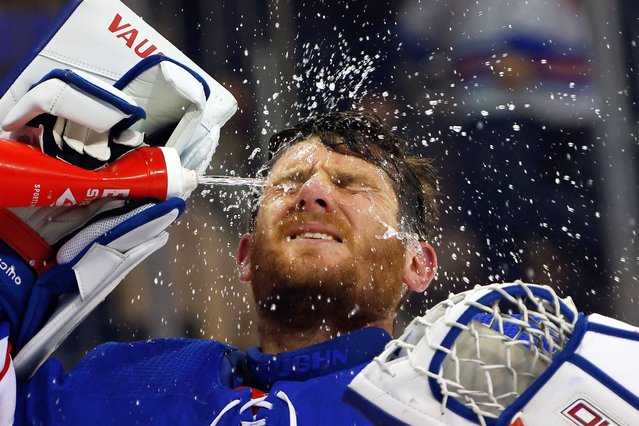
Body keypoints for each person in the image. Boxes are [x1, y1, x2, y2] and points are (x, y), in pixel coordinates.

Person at [8, 110, 439, 425]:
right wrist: (11, 254)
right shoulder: (125, 379)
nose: (310, 193)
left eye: (348, 185)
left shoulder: (442, 404)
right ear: (245, 256)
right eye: (287, 183)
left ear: (417, 263)